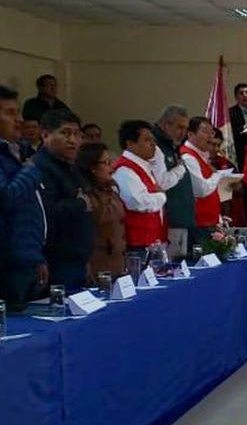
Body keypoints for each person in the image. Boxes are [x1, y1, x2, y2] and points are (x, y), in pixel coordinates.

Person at [33, 109, 92, 292]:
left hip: (77, 258)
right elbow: (45, 213)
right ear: (45, 135)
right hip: (56, 261)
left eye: (77, 134)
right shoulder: (39, 168)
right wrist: (80, 204)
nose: (73, 140)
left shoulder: (70, 166)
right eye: (65, 133)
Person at [0, 84, 47, 312]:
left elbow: (33, 208)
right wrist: (30, 170)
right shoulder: (25, 162)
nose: (18, 120)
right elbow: (6, 197)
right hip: (8, 262)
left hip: (28, 257)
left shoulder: (19, 152)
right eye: (9, 113)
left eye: (18, 112)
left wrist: (37, 255)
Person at [112, 120, 169, 252]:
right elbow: (136, 202)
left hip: (152, 239)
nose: (154, 144)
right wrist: (161, 196)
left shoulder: (143, 166)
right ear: (130, 143)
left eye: (154, 140)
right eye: (147, 140)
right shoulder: (125, 170)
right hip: (138, 241)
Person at [76, 142, 126, 279]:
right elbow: (101, 215)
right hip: (98, 262)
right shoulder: (85, 193)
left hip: (117, 258)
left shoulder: (111, 189)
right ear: (92, 168)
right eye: (106, 162)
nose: (111, 167)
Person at [179, 117, 236, 232]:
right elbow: (201, 190)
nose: (210, 136)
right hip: (198, 224)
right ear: (190, 134)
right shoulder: (188, 157)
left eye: (211, 132)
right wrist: (218, 175)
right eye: (205, 132)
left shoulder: (202, 155)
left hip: (210, 222)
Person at [151, 105, 193, 252]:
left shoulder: (172, 145)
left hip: (180, 218)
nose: (183, 133)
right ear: (166, 124)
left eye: (186, 129)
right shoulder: (156, 147)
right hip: (169, 220)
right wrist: (180, 168)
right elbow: (161, 183)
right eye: (179, 127)